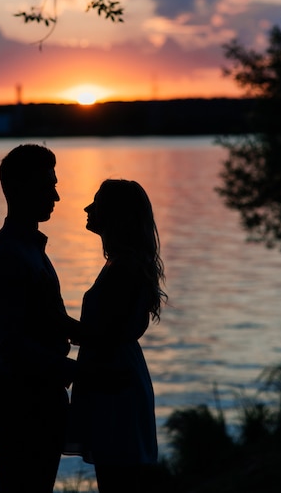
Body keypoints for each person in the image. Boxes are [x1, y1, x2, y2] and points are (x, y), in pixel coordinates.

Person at [0, 144, 79, 493]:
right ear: (20, 189)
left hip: (41, 392)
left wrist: (107, 338)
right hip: (22, 398)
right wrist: (81, 373)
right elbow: (13, 346)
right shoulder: (8, 254)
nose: (56, 196)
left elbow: (53, 320)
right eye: (46, 186)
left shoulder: (30, 250)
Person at [65, 179, 167, 493]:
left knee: (117, 479)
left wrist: (48, 317)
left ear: (116, 214)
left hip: (115, 381)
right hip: (115, 374)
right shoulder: (121, 264)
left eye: (96, 202)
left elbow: (101, 335)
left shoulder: (124, 268)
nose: (87, 208)